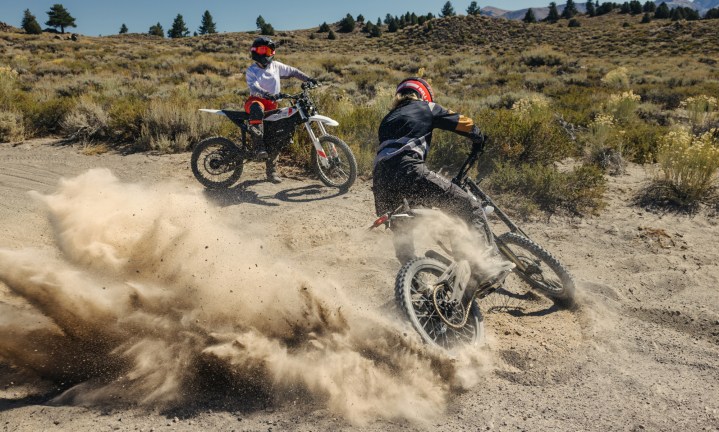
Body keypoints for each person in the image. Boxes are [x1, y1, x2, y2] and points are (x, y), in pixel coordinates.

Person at [372, 77, 488, 265]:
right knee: (470, 208)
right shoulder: (426, 107)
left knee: (403, 233)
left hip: (381, 182)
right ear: (423, 95)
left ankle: (414, 283)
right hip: (408, 170)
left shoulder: (387, 119)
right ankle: (478, 265)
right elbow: (462, 123)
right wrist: (478, 136)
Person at [245, 36, 317, 183]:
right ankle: (258, 146)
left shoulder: (276, 66)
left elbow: (294, 71)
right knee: (257, 108)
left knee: (277, 137)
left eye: (269, 50)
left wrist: (308, 79)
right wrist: (266, 94)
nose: (266, 53)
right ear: (255, 51)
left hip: (273, 105)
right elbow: (254, 87)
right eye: (262, 49)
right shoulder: (251, 70)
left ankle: (271, 172)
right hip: (256, 101)